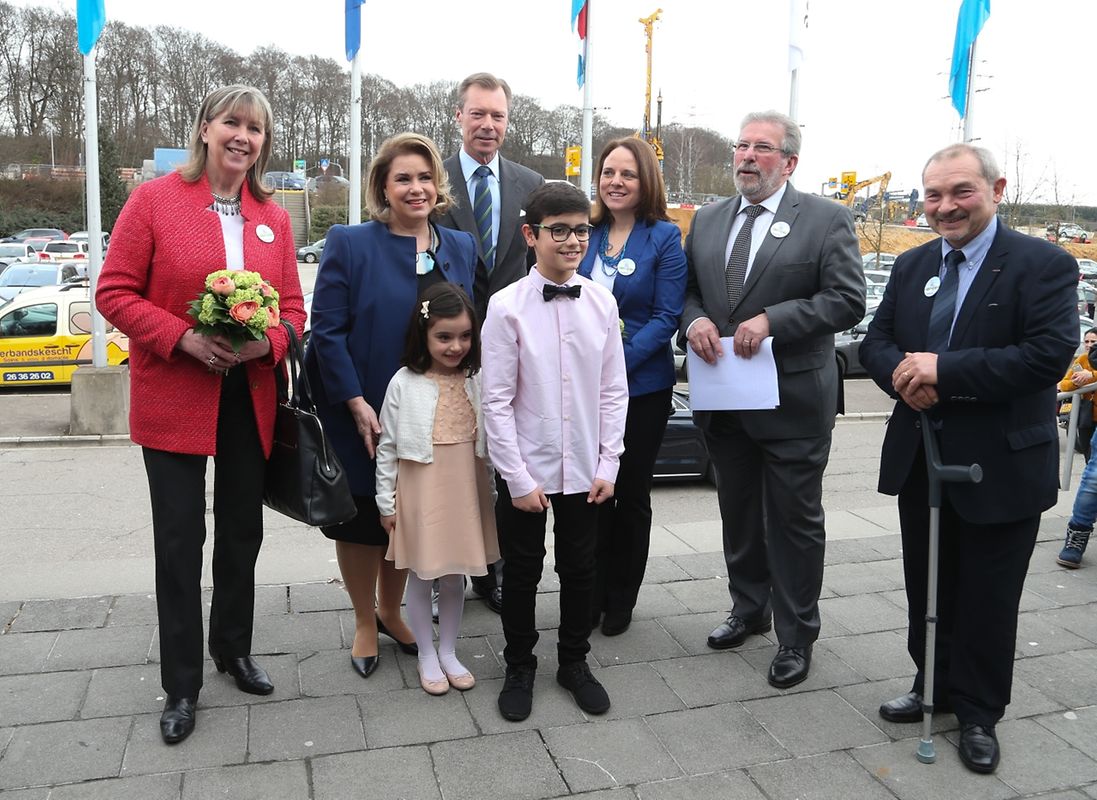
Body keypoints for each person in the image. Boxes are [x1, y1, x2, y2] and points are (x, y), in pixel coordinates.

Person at [96, 85, 306, 745]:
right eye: (232, 123)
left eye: (255, 128)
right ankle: (181, 684)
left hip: (250, 395)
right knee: (180, 542)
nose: (243, 136)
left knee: (242, 532)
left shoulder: (273, 216)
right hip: (174, 392)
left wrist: (268, 344)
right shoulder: (154, 200)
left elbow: (293, 311)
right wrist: (182, 337)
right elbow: (113, 291)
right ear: (205, 129)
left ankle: (232, 649)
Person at [859, 143, 1077, 774]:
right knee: (927, 583)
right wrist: (905, 377)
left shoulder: (1045, 264)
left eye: (961, 191)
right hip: (922, 458)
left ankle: (979, 712)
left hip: (1001, 465)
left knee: (988, 596)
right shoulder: (913, 264)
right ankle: (932, 685)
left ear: (996, 189)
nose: (945, 206)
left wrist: (944, 371)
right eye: (933, 194)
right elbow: (877, 341)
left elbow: (1045, 357)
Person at [678, 110, 864, 689]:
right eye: (742, 145)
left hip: (793, 402)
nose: (747, 156)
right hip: (724, 397)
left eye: (762, 147)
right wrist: (694, 322)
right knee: (738, 513)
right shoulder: (708, 219)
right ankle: (749, 608)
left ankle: (796, 635)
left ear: (789, 162)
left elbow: (848, 299)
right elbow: (687, 292)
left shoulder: (827, 219)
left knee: (793, 522)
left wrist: (773, 320)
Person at [304, 132, 478, 680]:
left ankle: (391, 610)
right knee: (362, 521)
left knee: (405, 516)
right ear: (383, 186)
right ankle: (364, 620)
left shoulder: (460, 246)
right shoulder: (350, 242)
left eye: (425, 177)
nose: (416, 188)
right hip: (362, 410)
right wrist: (355, 401)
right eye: (403, 178)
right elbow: (326, 331)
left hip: (433, 418)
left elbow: (467, 330)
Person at [482, 182, 628, 721]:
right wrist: (516, 477)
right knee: (521, 571)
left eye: (581, 231)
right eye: (559, 230)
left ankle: (574, 662)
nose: (572, 241)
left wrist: (609, 462)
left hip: (586, 467)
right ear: (531, 235)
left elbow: (613, 390)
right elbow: (496, 400)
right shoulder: (506, 307)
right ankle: (519, 664)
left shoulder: (602, 301)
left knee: (581, 568)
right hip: (528, 467)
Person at [437, 72, 545, 614]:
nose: (487, 124)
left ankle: (495, 570)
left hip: (511, 346)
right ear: (458, 116)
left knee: (505, 462)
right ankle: (445, 571)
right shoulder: (433, 178)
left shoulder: (531, 183)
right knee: (450, 462)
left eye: (497, 115)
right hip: (444, 345)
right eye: (477, 113)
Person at [578, 138, 686, 636]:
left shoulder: (663, 237)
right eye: (608, 172)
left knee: (630, 494)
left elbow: (666, 317)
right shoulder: (586, 232)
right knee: (591, 493)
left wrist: (614, 365)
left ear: (646, 181)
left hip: (640, 388)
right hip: (583, 389)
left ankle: (621, 597)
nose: (615, 182)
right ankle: (590, 593)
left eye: (628, 174)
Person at [375, 283, 499, 695]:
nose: (455, 346)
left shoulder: (476, 379)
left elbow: (490, 442)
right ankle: (426, 653)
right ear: (423, 334)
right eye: (444, 337)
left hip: (466, 488)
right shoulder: (404, 382)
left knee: (454, 575)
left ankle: (448, 650)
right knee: (423, 574)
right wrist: (386, 503)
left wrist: (493, 492)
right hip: (421, 488)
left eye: (465, 336)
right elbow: (387, 447)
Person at [1059, 327, 1097, 567]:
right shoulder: (1082, 359)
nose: (1090, 344)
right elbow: (1064, 384)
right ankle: (1077, 535)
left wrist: (1091, 377)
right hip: (1088, 420)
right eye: (1088, 341)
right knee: (1093, 477)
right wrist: (1082, 379)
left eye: (1094, 341)